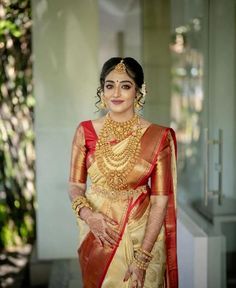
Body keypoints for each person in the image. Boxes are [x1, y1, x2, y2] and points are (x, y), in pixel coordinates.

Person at [68, 57, 178, 288]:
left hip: (143, 234)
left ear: (139, 92)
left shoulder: (158, 137)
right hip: (97, 233)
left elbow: (160, 201)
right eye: (110, 85)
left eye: (125, 85)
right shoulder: (85, 131)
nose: (116, 92)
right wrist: (89, 217)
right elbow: (75, 186)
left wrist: (142, 258)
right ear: (102, 91)